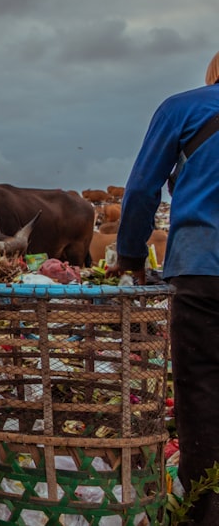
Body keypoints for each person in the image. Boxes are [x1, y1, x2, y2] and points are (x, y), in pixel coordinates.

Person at [112, 51, 219, 522]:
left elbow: (139, 191)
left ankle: (205, 510)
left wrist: (133, 259)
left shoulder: (183, 108)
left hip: (201, 270)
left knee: (201, 391)